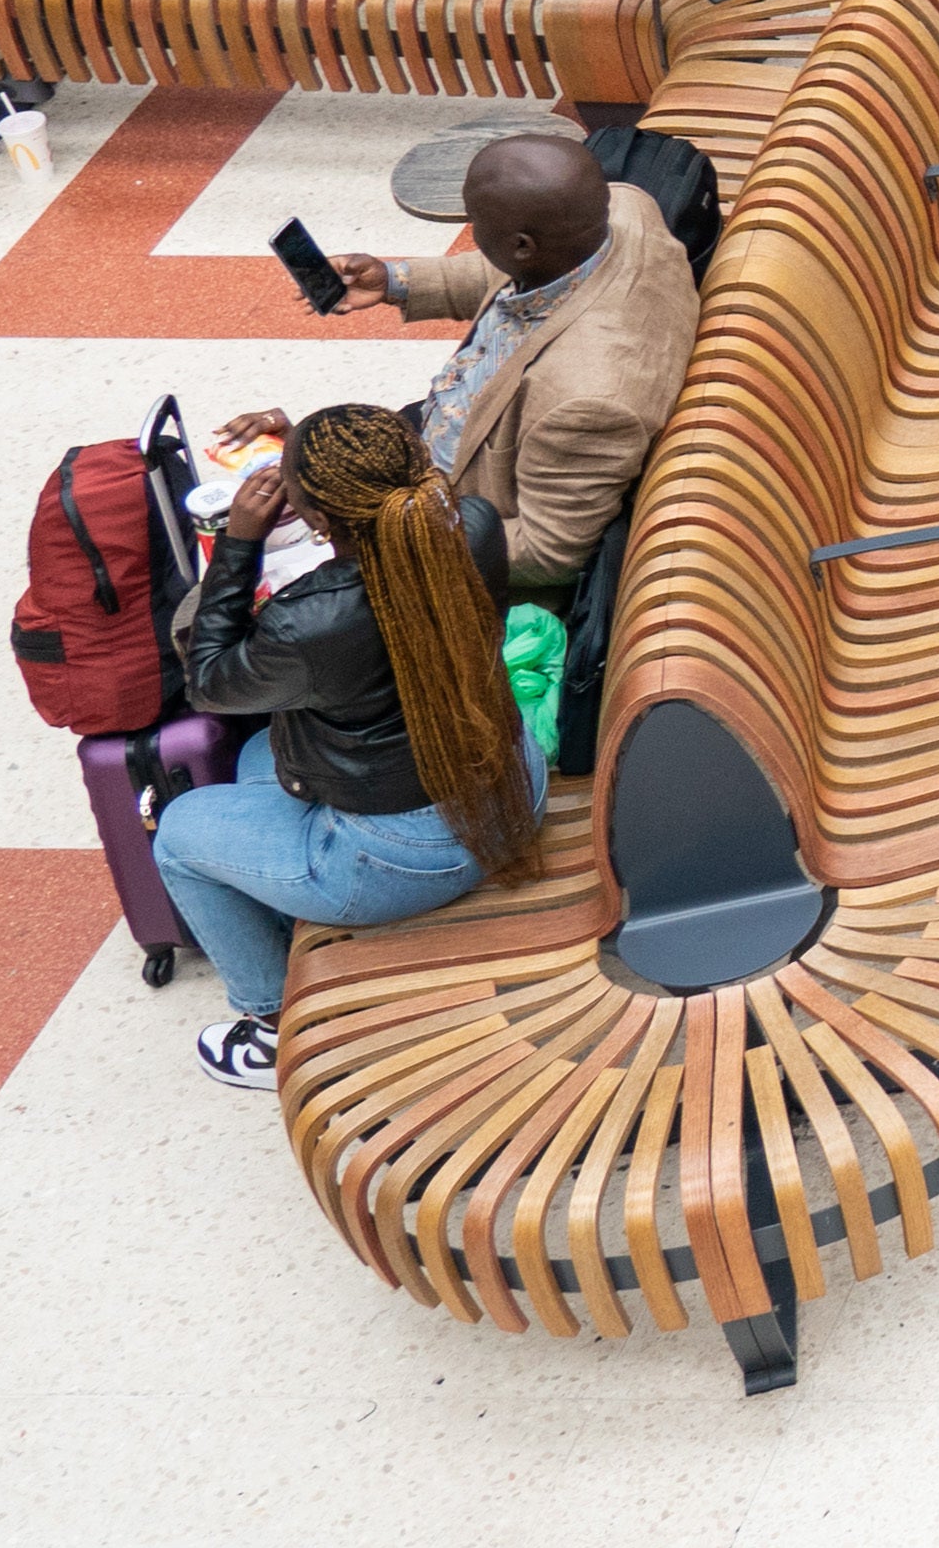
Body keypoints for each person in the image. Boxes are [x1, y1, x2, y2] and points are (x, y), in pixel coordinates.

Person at [151, 401, 544, 1093]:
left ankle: (271, 1028)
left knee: (178, 837)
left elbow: (209, 681)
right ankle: (286, 892)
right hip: (512, 785)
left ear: (321, 522)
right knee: (252, 762)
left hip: (412, 856)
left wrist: (239, 543)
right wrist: (309, 446)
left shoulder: (312, 622)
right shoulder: (473, 527)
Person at [215, 128, 694, 599]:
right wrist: (395, 281)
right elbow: (513, 268)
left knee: (275, 550)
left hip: (452, 513)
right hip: (444, 435)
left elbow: (548, 553)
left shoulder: (585, 403)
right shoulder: (623, 213)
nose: (471, 232)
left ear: (523, 245)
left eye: (476, 222)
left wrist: (379, 533)